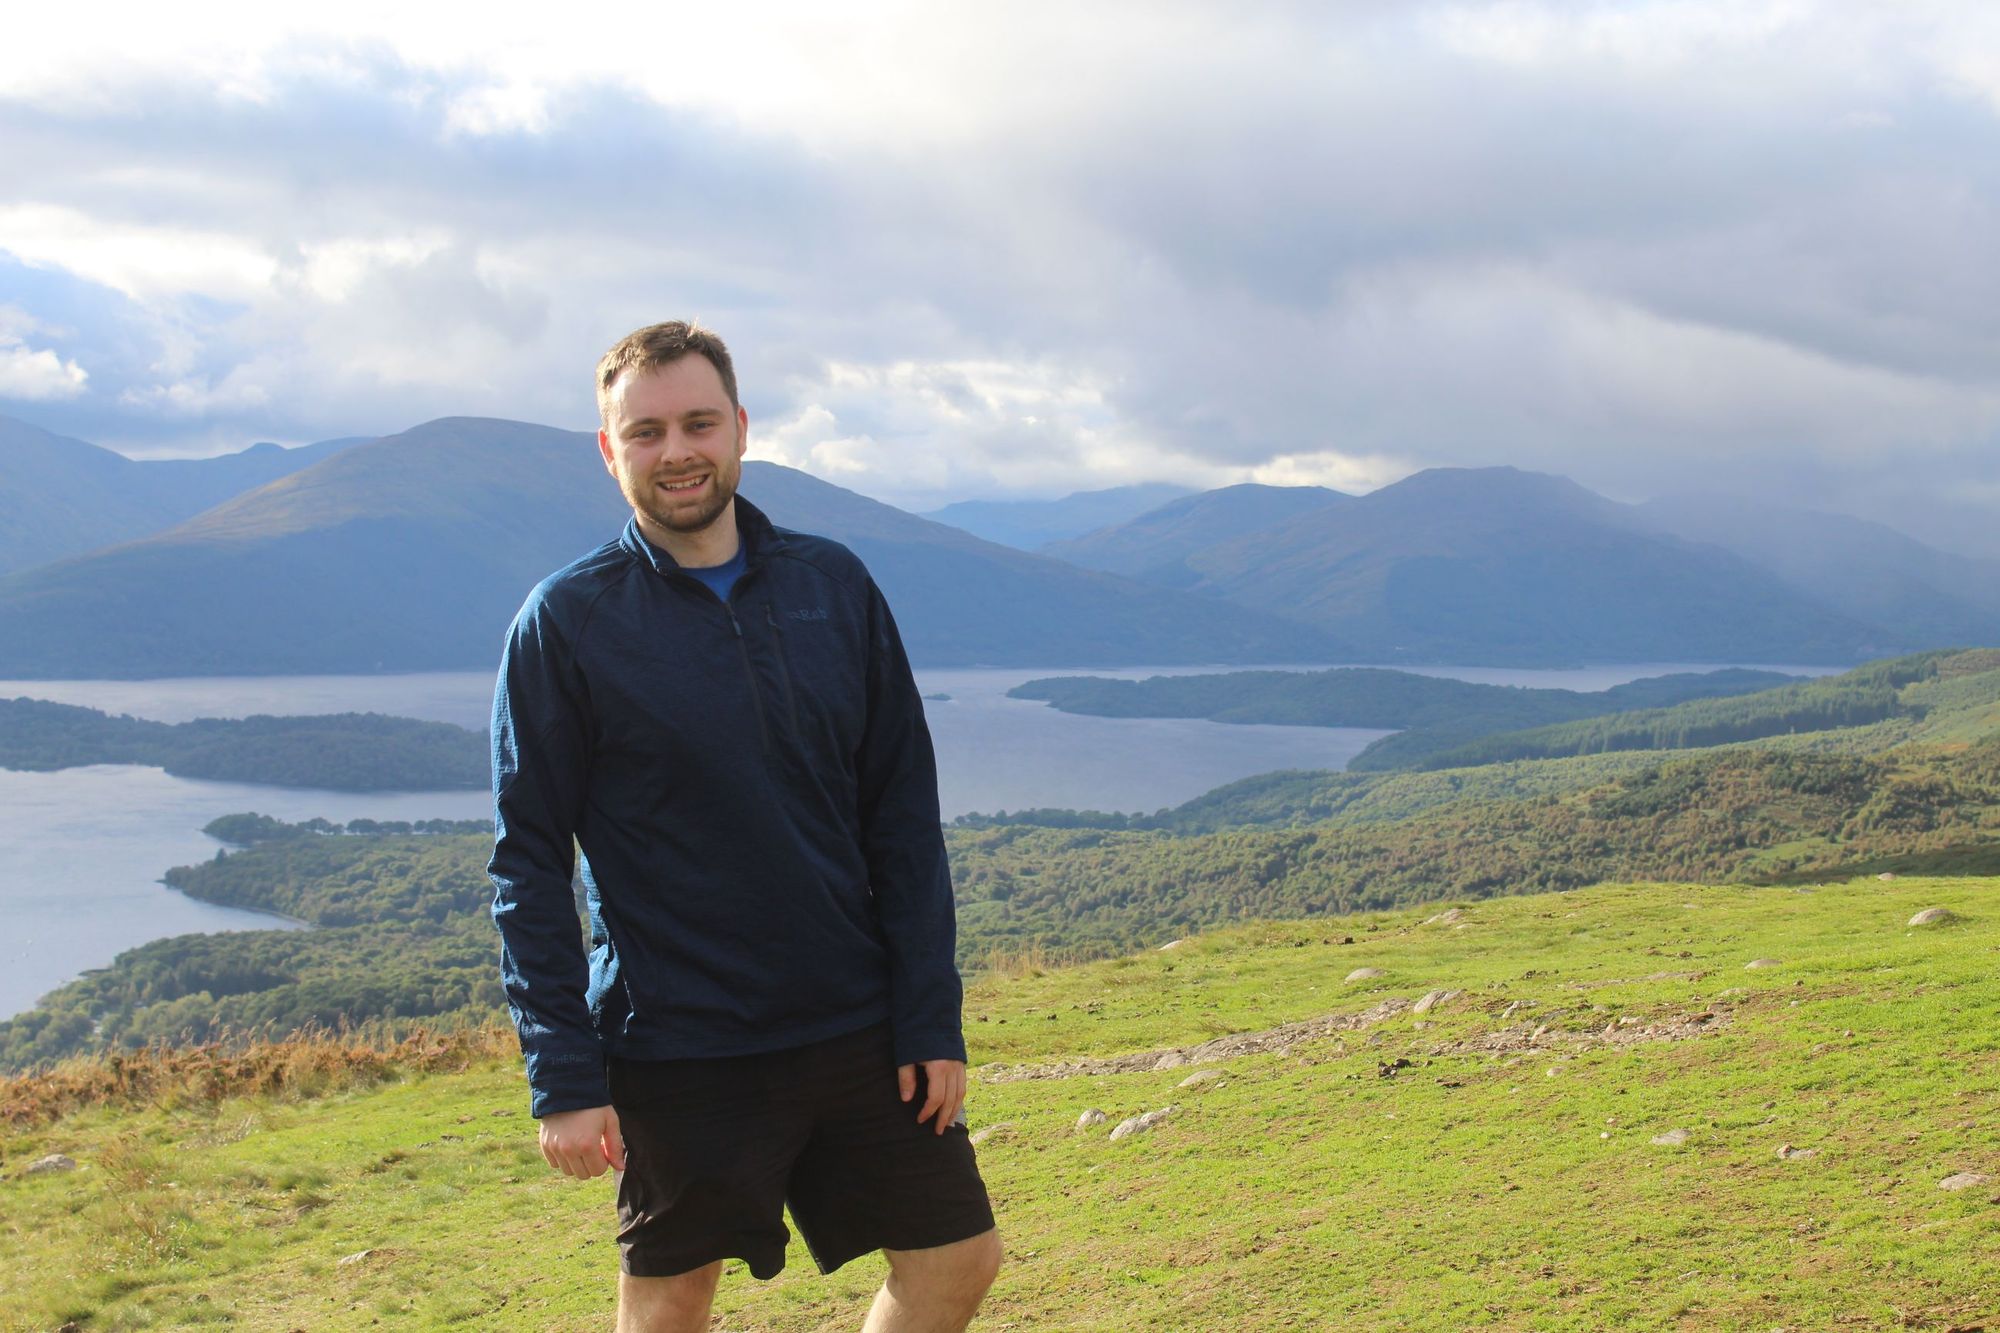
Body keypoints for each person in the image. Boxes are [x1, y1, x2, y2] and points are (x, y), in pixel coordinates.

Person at [489, 320, 1000, 1332]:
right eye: (645, 431)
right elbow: (529, 863)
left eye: (697, 422)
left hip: (853, 1023)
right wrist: (563, 1076)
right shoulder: (565, 622)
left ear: (739, 430)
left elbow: (900, 814)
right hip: (679, 1041)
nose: (675, 449)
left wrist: (927, 1014)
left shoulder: (832, 586)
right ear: (609, 449)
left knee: (957, 1260)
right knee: (672, 1304)